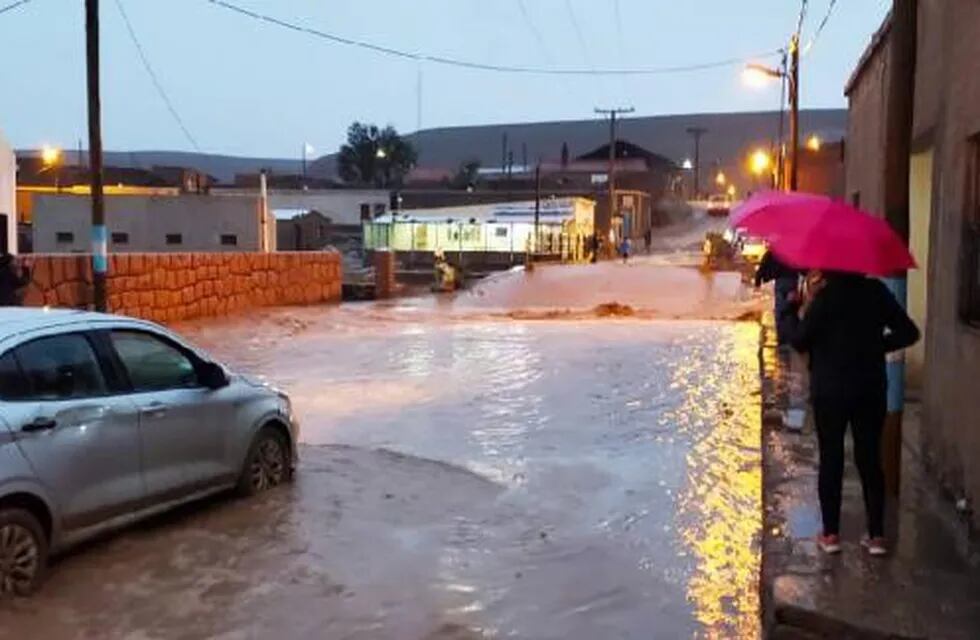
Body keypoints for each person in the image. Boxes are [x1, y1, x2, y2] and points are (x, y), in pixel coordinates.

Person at [781, 270, 919, 557]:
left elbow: (799, 340)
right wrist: (876, 346)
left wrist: (791, 308)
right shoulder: (877, 293)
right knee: (869, 458)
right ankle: (877, 535)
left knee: (831, 457)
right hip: (869, 389)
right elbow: (909, 332)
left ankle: (831, 534)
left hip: (830, 393)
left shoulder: (825, 299)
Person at [755, 250, 800, 346]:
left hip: (781, 282)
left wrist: (758, 281)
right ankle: (791, 337)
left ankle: (783, 339)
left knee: (780, 310)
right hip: (793, 281)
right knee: (791, 309)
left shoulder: (775, 251)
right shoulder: (795, 250)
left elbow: (764, 265)